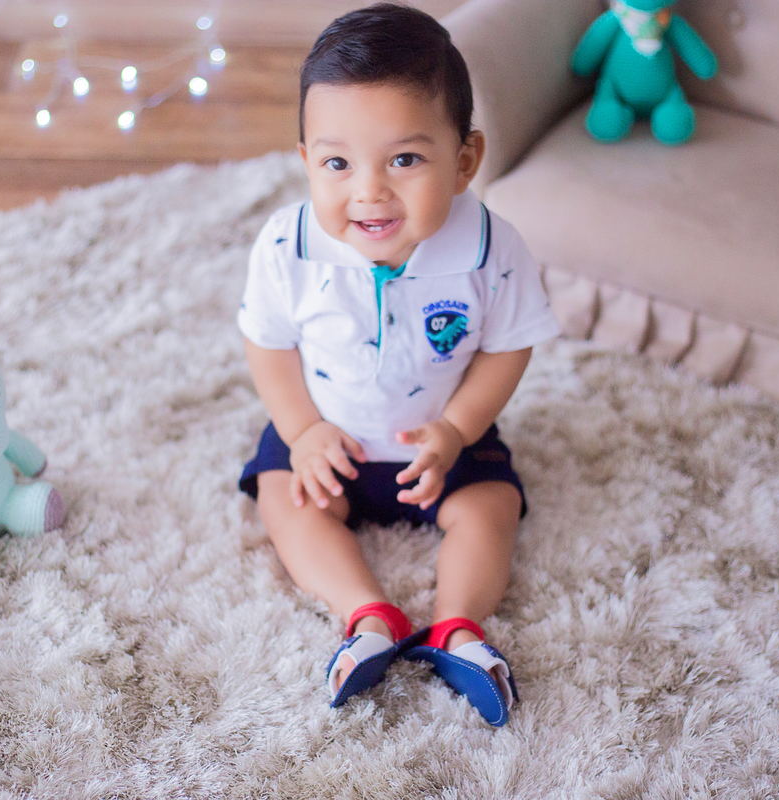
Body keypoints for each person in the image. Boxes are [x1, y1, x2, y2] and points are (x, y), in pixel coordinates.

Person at [237, 2, 559, 728]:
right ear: (306, 162)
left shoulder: (491, 249)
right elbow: (270, 342)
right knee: (285, 500)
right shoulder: (287, 246)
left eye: (405, 159)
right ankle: (367, 617)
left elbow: (509, 345)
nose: (369, 190)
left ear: (464, 161)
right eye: (338, 163)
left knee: (491, 509)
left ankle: (458, 628)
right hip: (331, 437)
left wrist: (456, 427)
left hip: (443, 443)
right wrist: (301, 430)